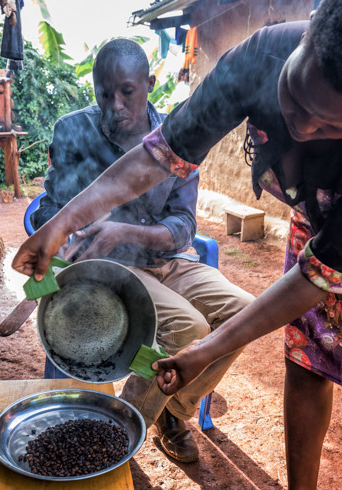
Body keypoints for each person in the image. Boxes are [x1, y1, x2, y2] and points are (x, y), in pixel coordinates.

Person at [12, 0, 342, 490]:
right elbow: (162, 154)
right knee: (306, 358)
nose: (304, 130)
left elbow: (320, 275)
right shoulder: (258, 55)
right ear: (308, 36)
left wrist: (204, 351)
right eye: (297, 98)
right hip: (317, 207)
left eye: (333, 126)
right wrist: (61, 223)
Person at [32, 39, 254, 463]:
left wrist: (124, 231)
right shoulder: (72, 130)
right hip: (111, 269)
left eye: (127, 92)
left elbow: (184, 227)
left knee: (244, 312)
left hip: (169, 260)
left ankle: (174, 409)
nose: (114, 105)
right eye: (103, 93)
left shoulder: (181, 134)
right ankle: (113, 435)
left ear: (150, 84)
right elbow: (51, 206)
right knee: (189, 329)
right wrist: (61, 232)